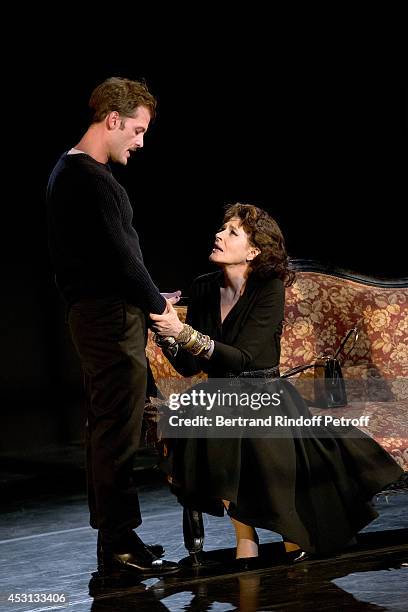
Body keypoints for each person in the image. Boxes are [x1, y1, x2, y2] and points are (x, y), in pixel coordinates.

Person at [150, 202, 403, 566]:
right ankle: (247, 537)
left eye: (232, 232)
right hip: (221, 394)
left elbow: (244, 359)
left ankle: (286, 534)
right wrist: (167, 333)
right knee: (206, 416)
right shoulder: (204, 287)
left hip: (263, 391)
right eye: (222, 228)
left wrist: (184, 333)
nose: (219, 235)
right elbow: (190, 365)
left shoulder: (268, 288)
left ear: (253, 251)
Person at [46, 77, 180, 580]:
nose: (141, 142)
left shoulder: (74, 174)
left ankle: (122, 539)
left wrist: (147, 295)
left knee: (115, 430)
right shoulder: (86, 176)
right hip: (106, 319)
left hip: (104, 313)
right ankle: (117, 548)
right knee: (114, 434)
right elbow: (121, 258)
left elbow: (105, 257)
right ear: (113, 120)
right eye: (139, 130)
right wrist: (155, 307)